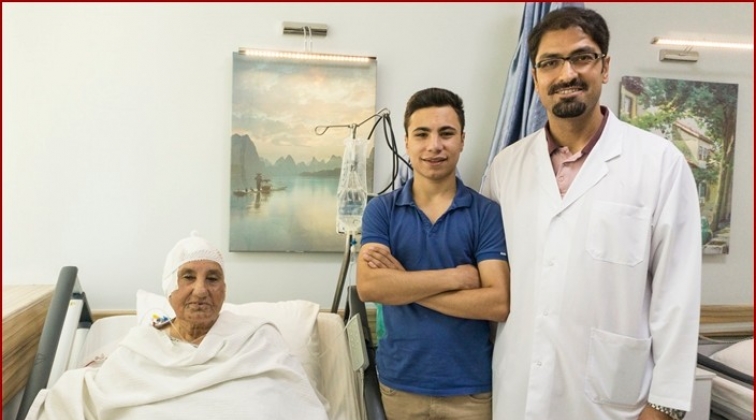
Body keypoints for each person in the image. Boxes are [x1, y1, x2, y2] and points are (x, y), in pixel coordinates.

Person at [480, 7, 701, 420]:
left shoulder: (659, 164)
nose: (566, 74)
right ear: (535, 77)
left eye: (581, 57)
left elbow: (678, 294)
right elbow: (487, 272)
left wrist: (665, 406)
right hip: (518, 392)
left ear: (605, 67)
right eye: (550, 62)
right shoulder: (505, 169)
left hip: (613, 402)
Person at [27, 232, 328, 420]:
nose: (201, 290)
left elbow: (294, 399)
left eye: (212, 279)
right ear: (169, 288)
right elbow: (95, 394)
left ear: (224, 289)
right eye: (188, 277)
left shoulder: (258, 337)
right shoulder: (141, 346)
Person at [357, 87, 510, 420]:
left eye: (446, 133)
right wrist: (456, 277)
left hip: (471, 390)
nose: (434, 145)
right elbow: (370, 287)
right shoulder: (381, 211)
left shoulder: (486, 213)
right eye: (422, 134)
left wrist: (403, 285)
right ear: (407, 141)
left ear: (462, 140)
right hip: (400, 385)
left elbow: (497, 303)